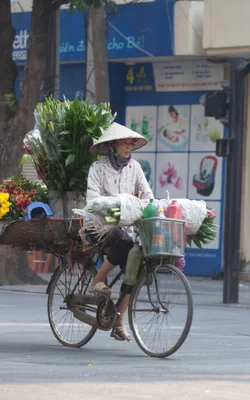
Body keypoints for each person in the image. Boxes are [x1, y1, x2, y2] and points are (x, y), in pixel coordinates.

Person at [86, 122, 153, 341]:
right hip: (101, 223)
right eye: (124, 142)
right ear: (113, 144)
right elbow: (93, 201)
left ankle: (119, 321)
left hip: (128, 226)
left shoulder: (135, 168)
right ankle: (98, 279)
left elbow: (148, 195)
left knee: (136, 270)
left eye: (131, 143)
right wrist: (119, 206)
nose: (128, 147)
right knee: (124, 243)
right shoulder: (97, 168)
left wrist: (147, 206)